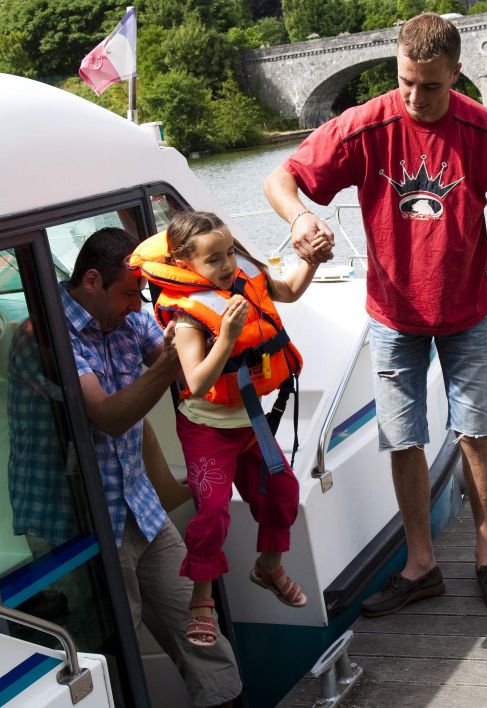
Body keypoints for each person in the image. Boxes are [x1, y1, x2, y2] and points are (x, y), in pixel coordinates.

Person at [263, 12, 487, 616]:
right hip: (394, 313)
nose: (416, 97)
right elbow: (281, 177)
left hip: (469, 309)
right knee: (402, 438)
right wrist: (299, 219)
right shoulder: (364, 126)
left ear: (457, 72)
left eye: (431, 85)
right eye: (406, 82)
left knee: (476, 431)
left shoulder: (485, 133)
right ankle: (421, 564)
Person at [129, 211, 330, 647]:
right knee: (212, 513)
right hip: (207, 432)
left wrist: (311, 261)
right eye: (214, 260)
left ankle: (269, 566)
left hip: (250, 424)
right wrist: (227, 336)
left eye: (229, 254)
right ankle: (202, 601)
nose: (227, 266)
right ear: (184, 263)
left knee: (283, 492)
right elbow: (197, 382)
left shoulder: (245, 282)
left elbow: (290, 291)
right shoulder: (187, 319)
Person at [62, 227, 242, 707]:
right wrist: (167, 368)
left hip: (139, 507)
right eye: (129, 293)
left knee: (198, 627)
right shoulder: (52, 334)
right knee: (104, 653)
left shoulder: (126, 318)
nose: (138, 306)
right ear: (93, 281)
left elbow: (187, 365)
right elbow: (110, 417)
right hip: (84, 522)